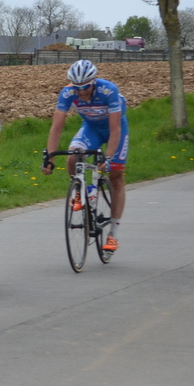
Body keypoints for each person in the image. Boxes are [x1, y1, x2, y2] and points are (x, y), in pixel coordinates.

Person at [42, 59, 128, 252]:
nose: (81, 91)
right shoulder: (67, 93)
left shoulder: (108, 90)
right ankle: (80, 190)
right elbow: (56, 128)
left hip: (115, 130)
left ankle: (113, 234)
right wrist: (49, 158)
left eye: (85, 87)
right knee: (73, 157)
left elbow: (115, 129)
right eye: (77, 87)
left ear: (94, 81)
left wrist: (107, 157)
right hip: (91, 128)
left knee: (116, 176)